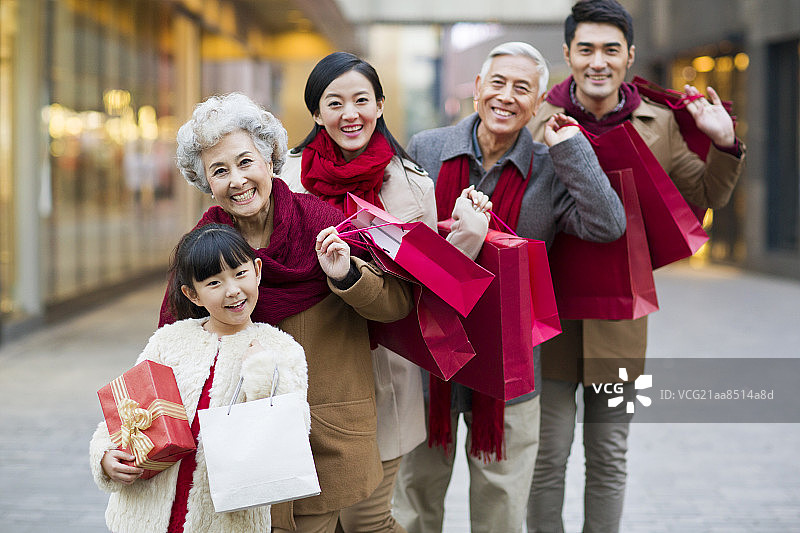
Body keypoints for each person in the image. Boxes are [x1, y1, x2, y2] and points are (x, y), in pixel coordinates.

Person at [526, 2, 746, 532]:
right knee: (546, 457)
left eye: (609, 50)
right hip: (547, 316)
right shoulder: (539, 120)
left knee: (609, 455)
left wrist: (722, 143)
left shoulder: (660, 121)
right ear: (568, 55)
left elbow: (700, 198)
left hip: (623, 322)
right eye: (585, 50)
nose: (597, 61)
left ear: (630, 56)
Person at [392, 41, 626, 533]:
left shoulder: (549, 164)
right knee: (414, 499)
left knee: (502, 505)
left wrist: (573, 147)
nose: (506, 96)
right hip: (431, 356)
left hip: (510, 360)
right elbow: (396, 238)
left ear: (538, 103)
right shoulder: (427, 147)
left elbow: (608, 224)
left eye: (523, 88)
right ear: (477, 89)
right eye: (497, 83)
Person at [160, 92, 414, 533]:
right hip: (239, 449)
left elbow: (394, 305)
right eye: (219, 171)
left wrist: (345, 275)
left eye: (245, 162)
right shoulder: (201, 249)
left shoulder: (322, 223)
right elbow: (169, 346)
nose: (237, 180)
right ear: (206, 182)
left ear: (269, 158)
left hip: (324, 435)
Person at [280, 51, 491, 533]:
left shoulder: (413, 184)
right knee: (306, 520)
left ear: (380, 105)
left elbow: (421, 284)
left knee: (367, 521)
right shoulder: (284, 180)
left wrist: (468, 234)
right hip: (306, 366)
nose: (349, 113)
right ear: (316, 112)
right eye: (334, 103)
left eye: (360, 100)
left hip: (382, 370)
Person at [89, 223, 309, 533]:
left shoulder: (281, 349)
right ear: (192, 294)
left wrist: (260, 371)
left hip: (226, 521)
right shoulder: (169, 341)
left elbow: (292, 431)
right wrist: (106, 459)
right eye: (214, 282)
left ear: (257, 270)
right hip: (146, 515)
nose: (232, 289)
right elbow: (125, 414)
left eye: (240, 274)